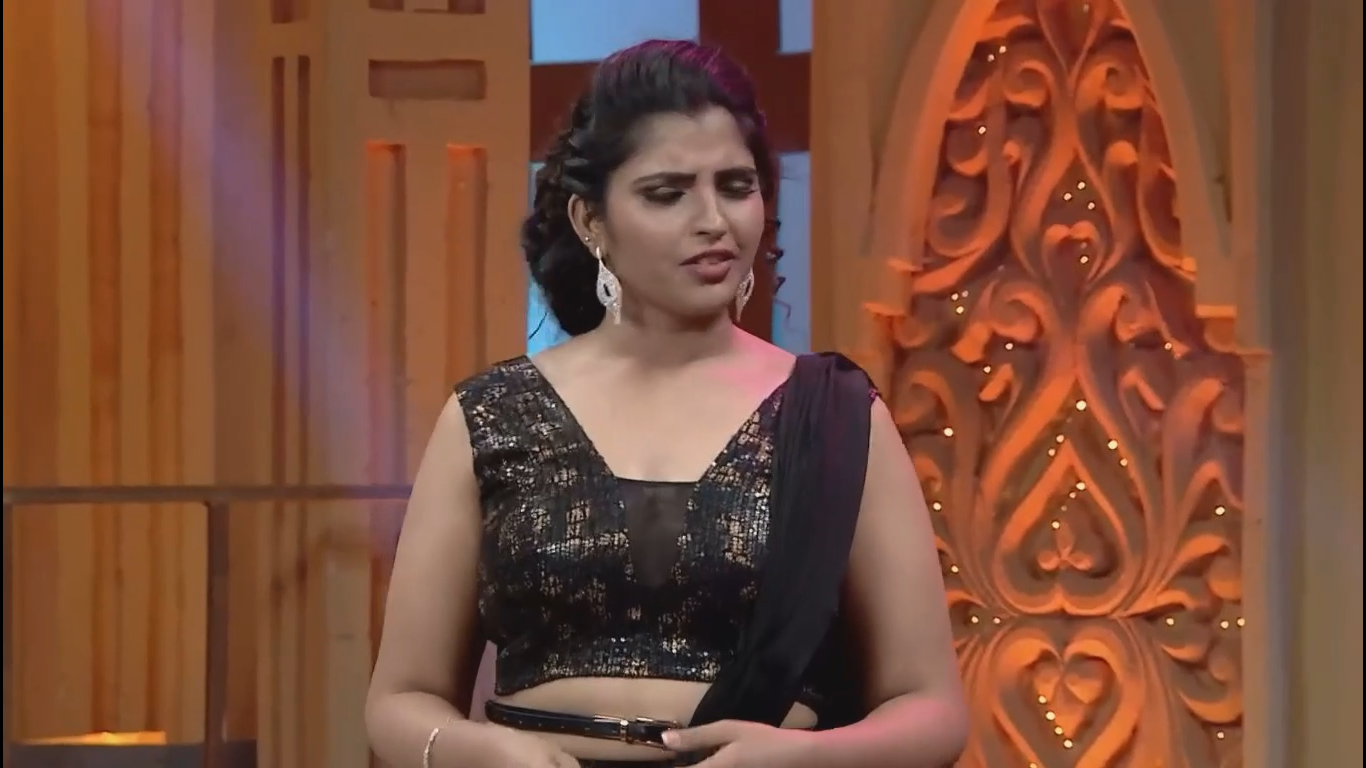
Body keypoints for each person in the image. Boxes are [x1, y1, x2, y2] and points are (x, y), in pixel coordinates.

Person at [364, 39, 966, 768]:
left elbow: (932, 711)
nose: (714, 220)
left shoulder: (834, 417)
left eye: (736, 186)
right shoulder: (491, 415)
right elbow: (400, 702)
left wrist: (795, 760)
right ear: (591, 221)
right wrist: (478, 753)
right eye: (667, 193)